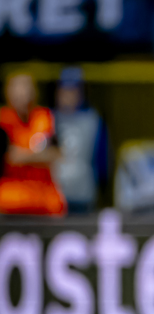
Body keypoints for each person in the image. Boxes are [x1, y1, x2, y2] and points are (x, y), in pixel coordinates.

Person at [0, 72, 66, 216]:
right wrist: (38, 156)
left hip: (43, 194)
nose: (23, 96)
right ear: (8, 93)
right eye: (18, 91)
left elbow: (57, 154)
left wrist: (23, 156)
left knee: (57, 204)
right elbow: (10, 157)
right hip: (10, 195)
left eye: (26, 90)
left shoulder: (45, 117)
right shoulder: (3, 120)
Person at [53, 67, 109, 213]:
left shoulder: (93, 120)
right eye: (64, 90)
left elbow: (102, 161)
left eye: (73, 91)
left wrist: (101, 188)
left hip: (83, 193)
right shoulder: (48, 118)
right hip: (53, 194)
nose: (69, 96)